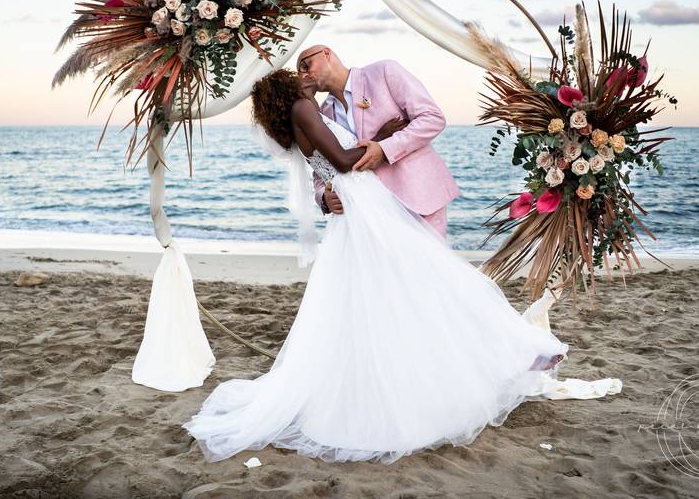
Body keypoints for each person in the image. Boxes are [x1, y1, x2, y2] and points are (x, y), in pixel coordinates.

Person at [181, 68, 569, 465]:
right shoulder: (305, 108)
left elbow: (333, 160)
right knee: (429, 281)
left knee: (390, 295)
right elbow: (345, 161)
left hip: (360, 210)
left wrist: (380, 136)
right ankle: (515, 353)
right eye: (296, 76)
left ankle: (499, 357)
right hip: (365, 209)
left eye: (308, 67)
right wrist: (380, 140)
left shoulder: (303, 115)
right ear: (287, 91)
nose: (305, 76)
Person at [296, 45, 459, 240]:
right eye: (299, 73)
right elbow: (321, 169)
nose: (303, 75)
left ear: (326, 53)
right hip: (369, 213)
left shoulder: (384, 72)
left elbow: (432, 118)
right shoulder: (323, 114)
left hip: (419, 199)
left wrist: (385, 148)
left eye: (306, 66)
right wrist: (324, 197)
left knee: (427, 268)